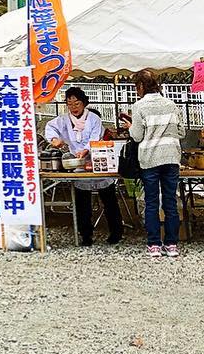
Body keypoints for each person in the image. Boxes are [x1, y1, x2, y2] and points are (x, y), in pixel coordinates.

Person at [44, 87, 123, 246]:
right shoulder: (64, 119)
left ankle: (116, 232)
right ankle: (85, 234)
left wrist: (86, 149)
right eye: (70, 103)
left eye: (77, 103)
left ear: (84, 103)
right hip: (77, 165)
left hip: (97, 161)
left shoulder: (94, 118)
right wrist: (54, 140)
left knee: (108, 197)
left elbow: (95, 137)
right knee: (82, 201)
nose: (74, 107)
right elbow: (50, 127)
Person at [124, 69, 186, 258]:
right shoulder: (171, 104)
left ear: (141, 86)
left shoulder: (139, 106)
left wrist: (130, 127)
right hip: (171, 158)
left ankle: (154, 245)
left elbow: (136, 136)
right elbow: (182, 132)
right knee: (170, 202)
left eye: (136, 87)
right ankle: (172, 245)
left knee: (151, 202)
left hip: (150, 158)